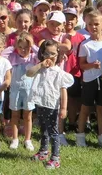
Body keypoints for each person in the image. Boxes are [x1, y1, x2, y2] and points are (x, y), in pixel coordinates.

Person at [27, 39, 74, 169]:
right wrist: (40, 65)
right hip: (40, 103)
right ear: (42, 54)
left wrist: (63, 108)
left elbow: (63, 91)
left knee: (53, 131)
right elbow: (29, 73)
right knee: (43, 129)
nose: (49, 57)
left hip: (52, 105)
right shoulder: (40, 68)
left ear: (57, 55)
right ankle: (43, 151)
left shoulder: (59, 73)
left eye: (53, 54)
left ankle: (55, 157)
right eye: (46, 54)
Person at [76, 11, 102, 149]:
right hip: (89, 80)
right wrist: (92, 66)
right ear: (86, 26)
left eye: (96, 24)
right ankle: (80, 135)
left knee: (101, 108)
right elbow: (81, 65)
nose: (93, 27)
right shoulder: (85, 44)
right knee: (85, 108)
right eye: (90, 24)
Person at [7, 32, 37, 151]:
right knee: (15, 115)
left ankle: (27, 139)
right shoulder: (13, 57)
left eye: (26, 47)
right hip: (15, 90)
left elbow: (41, 53)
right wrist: (14, 46)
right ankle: (15, 139)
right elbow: (3, 54)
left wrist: (33, 44)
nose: (23, 50)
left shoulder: (33, 58)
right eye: (20, 47)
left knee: (28, 116)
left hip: (29, 91)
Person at [61, 7, 86, 144]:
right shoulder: (60, 36)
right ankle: (60, 125)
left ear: (77, 20)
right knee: (60, 100)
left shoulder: (81, 37)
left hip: (75, 72)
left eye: (72, 18)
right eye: (66, 18)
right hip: (62, 71)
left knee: (72, 100)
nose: (69, 21)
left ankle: (71, 122)